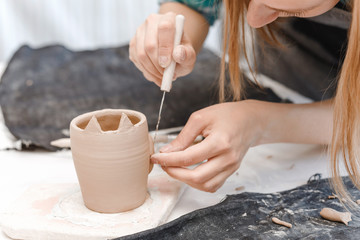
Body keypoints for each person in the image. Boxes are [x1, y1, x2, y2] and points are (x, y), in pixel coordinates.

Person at [129, 0, 359, 204]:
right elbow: (193, 4)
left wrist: (259, 123)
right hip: (283, 78)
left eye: (288, 10)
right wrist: (174, 38)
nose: (252, 20)